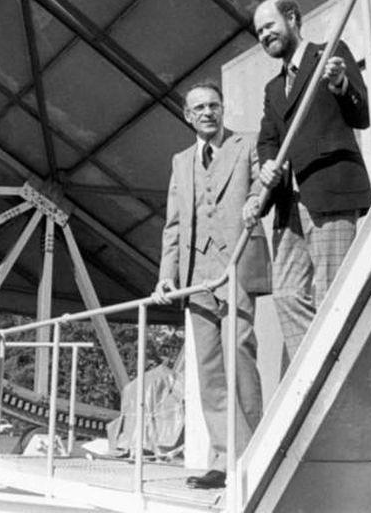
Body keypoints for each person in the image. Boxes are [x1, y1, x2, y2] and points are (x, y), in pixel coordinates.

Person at [153, 82, 270, 490]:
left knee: (239, 351)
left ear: (223, 109)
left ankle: (255, 450)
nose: (208, 112)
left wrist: (257, 200)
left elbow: (262, 187)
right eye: (199, 107)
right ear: (188, 115)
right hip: (195, 275)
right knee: (208, 369)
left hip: (235, 264)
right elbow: (173, 224)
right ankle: (224, 458)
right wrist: (167, 273)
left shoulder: (247, 145)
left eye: (214, 105)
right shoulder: (180, 161)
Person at [253, 0, 371, 372]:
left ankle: (332, 370)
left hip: (331, 189)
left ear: (292, 18)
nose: (265, 35)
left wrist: (339, 83)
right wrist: (267, 166)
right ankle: (321, 365)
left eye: (269, 25)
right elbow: (268, 139)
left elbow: (362, 112)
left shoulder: (330, 53)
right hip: (290, 202)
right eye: (259, 32)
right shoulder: (273, 89)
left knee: (329, 292)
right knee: (287, 294)